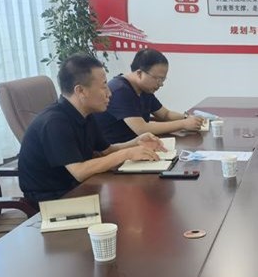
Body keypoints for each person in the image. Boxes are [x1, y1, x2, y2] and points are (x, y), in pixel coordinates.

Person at [19, 54, 165, 204]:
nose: (109, 93)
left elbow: (106, 151)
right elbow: (79, 171)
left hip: (79, 190)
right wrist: (126, 154)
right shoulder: (55, 122)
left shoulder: (85, 114)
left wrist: (137, 142)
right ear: (80, 91)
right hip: (53, 201)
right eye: (103, 86)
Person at [94, 48, 204, 144]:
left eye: (163, 79)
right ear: (139, 73)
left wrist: (187, 118)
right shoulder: (120, 90)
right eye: (158, 79)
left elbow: (165, 114)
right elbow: (141, 129)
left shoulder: (145, 89)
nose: (161, 84)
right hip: (116, 150)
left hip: (138, 145)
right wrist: (183, 124)